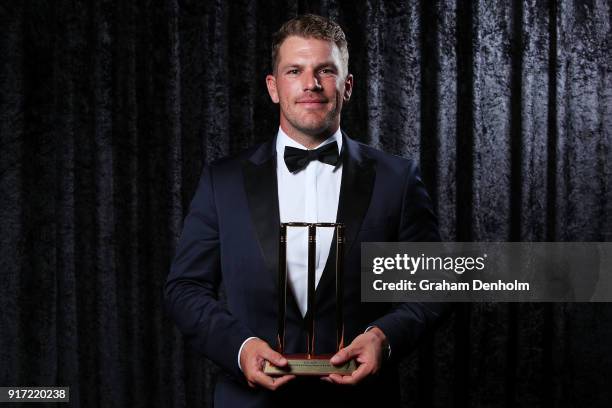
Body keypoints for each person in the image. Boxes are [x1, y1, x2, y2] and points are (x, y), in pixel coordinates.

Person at [165, 14, 445, 408]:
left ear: (347, 86)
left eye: (325, 71)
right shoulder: (222, 181)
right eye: (294, 70)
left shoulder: (397, 179)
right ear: (273, 87)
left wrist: (385, 337)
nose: (310, 84)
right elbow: (184, 289)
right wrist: (239, 348)